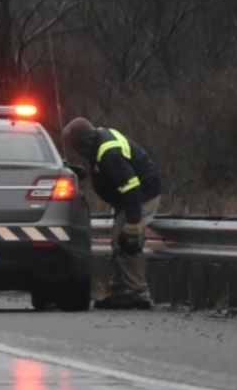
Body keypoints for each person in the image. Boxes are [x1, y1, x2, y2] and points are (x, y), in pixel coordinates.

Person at [62, 117, 163, 310]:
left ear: (81, 142)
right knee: (119, 242)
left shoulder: (109, 153)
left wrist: (132, 223)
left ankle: (137, 295)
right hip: (129, 199)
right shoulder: (97, 142)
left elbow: (131, 187)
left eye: (73, 145)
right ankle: (120, 292)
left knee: (127, 242)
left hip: (141, 197)